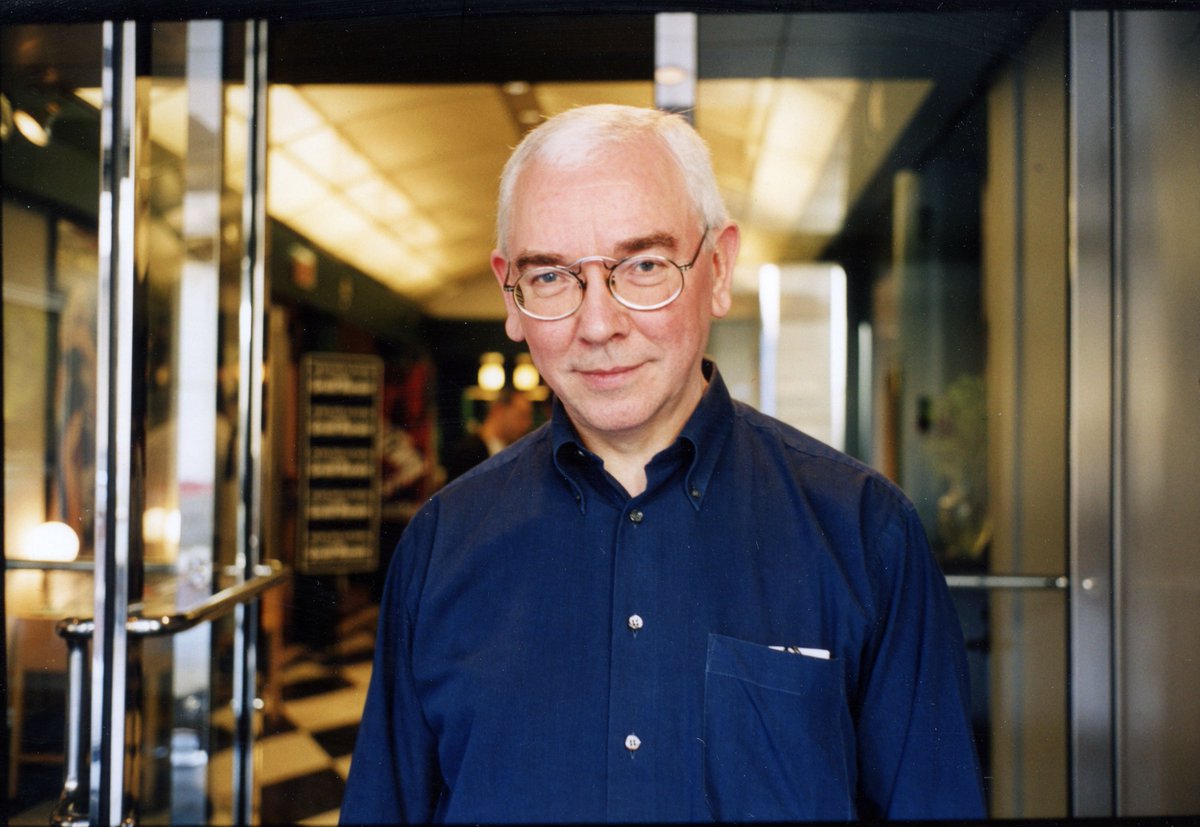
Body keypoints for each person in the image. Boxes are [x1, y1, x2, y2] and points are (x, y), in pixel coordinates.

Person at [341, 104, 985, 823]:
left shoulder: (866, 533)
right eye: (551, 276)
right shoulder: (440, 545)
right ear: (510, 297)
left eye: (643, 266)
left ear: (718, 268)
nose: (597, 324)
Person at [440, 387, 533, 483]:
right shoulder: (465, 453)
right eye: (522, 415)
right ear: (499, 410)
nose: (527, 423)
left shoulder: (517, 452)